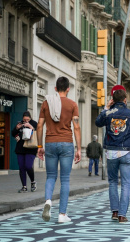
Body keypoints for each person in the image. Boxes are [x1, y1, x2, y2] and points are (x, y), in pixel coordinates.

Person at [96, 85, 130, 224]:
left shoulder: (108, 114)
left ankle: (114, 211)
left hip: (111, 153)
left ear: (112, 100)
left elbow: (98, 122)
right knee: (126, 184)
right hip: (126, 153)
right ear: (125, 100)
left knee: (112, 182)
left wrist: (107, 108)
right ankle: (122, 215)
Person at [37, 76, 81, 223]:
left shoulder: (45, 104)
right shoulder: (73, 105)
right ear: (68, 89)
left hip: (50, 142)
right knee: (65, 179)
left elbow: (39, 126)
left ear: (55, 89)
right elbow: (76, 127)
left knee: (50, 176)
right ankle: (62, 214)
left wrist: (39, 146)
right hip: (66, 143)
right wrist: (79, 149)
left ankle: (48, 201)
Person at [12, 111, 38, 193]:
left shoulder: (34, 123)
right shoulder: (20, 124)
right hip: (20, 148)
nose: (26, 121)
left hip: (31, 148)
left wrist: (30, 126)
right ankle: (24, 186)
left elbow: (37, 133)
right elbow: (13, 133)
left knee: (28, 166)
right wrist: (17, 128)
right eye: (24, 119)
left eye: (27, 119)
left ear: (30, 118)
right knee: (21, 167)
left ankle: (33, 182)